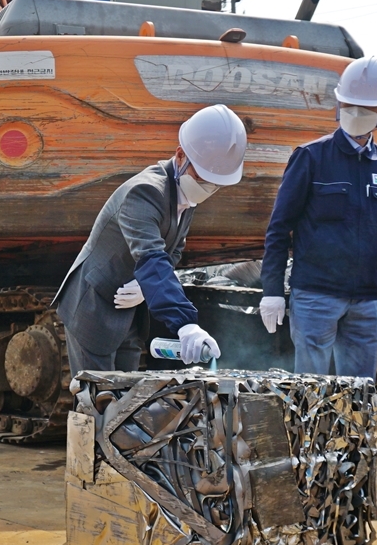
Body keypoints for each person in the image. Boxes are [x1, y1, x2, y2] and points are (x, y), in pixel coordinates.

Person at [54, 104, 247, 373]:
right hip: (93, 308)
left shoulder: (185, 196)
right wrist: (185, 323)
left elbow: (173, 251)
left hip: (127, 313)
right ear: (181, 156)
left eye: (215, 183)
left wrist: (145, 287)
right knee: (96, 405)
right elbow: (151, 257)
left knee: (128, 402)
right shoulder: (144, 193)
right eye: (202, 178)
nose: (207, 189)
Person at [259, 56, 377, 379]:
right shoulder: (310, 158)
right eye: (349, 105)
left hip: (365, 303)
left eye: (365, 109)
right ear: (338, 103)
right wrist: (272, 290)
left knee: (358, 403)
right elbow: (279, 228)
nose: (354, 114)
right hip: (315, 298)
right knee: (310, 400)